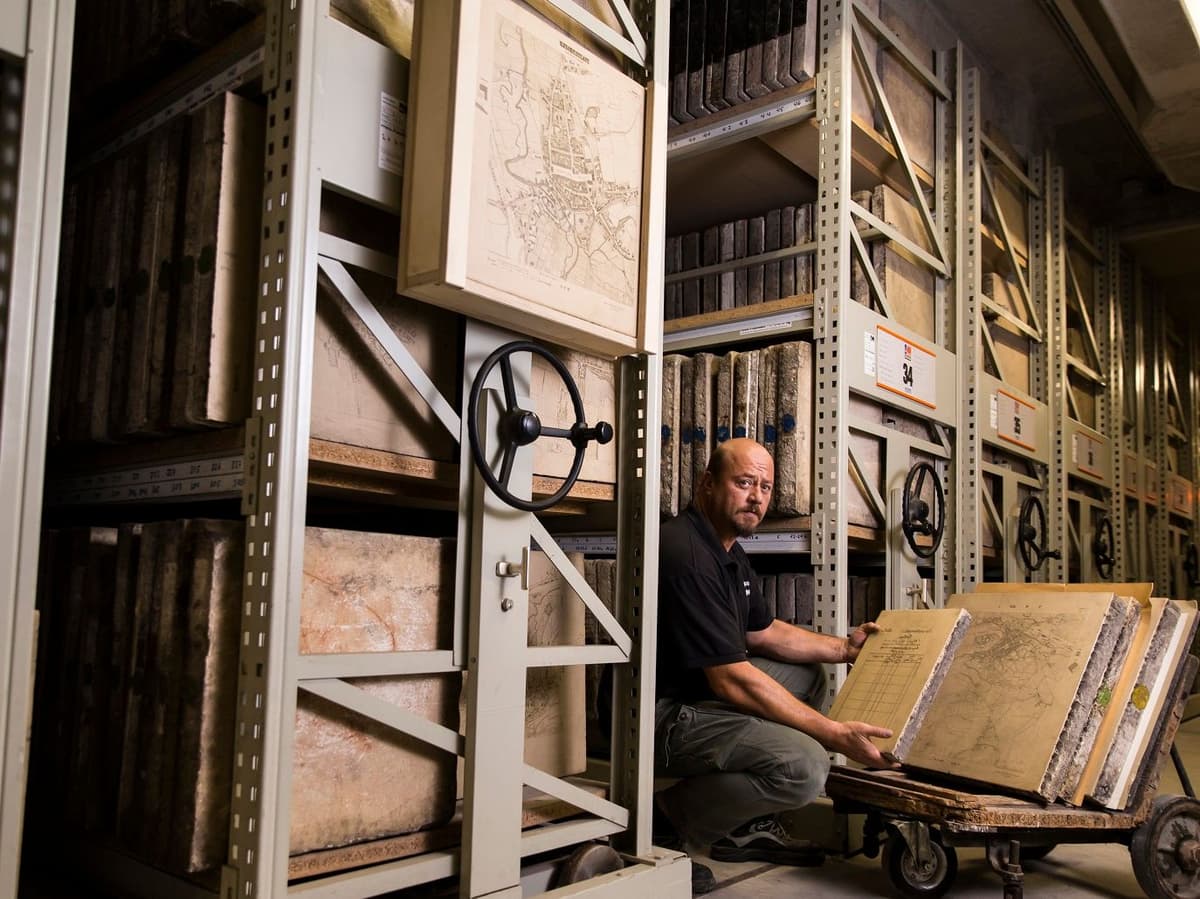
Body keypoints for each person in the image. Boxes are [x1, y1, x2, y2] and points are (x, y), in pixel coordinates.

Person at [653, 437, 894, 893]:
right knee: (805, 767)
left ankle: (743, 824)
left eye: (764, 487)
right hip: (657, 714)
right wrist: (832, 734)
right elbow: (731, 680)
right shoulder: (687, 555)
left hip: (695, 694)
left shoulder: (728, 552)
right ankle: (668, 824)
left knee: (809, 674)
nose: (757, 497)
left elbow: (763, 633)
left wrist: (846, 649)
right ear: (707, 484)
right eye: (744, 482)